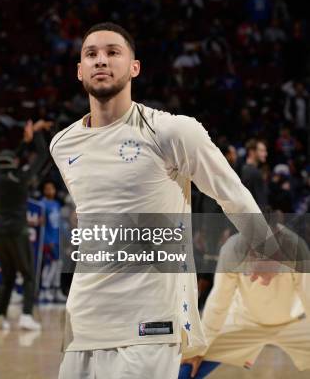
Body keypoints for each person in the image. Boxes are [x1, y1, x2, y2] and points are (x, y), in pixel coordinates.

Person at [50, 22, 272, 378]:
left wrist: (264, 245)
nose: (101, 60)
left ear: (134, 67)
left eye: (112, 52)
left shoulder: (171, 131)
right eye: (91, 54)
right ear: (79, 71)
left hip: (149, 321)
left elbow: (228, 190)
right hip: (84, 319)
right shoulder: (62, 144)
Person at [180, 225, 310, 378]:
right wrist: (199, 349)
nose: (257, 277)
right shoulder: (232, 250)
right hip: (243, 320)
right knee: (190, 360)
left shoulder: (297, 249)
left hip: (294, 322)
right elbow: (218, 305)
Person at [0, 119, 51, 331]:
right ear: (13, 162)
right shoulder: (21, 177)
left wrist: (25, 142)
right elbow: (42, 156)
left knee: (7, 277)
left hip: (0, 232)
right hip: (18, 232)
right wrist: (37, 134)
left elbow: (10, 159)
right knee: (29, 276)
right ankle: (26, 316)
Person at [39, 180, 65, 302]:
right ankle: (45, 289)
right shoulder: (42, 204)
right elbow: (42, 225)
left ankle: (55, 289)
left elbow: (59, 224)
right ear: (44, 191)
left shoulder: (56, 204)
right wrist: (47, 240)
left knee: (58, 264)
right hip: (48, 240)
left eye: (52, 188)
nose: (51, 191)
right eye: (48, 188)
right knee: (50, 264)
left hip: (57, 240)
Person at [240, 139, 269, 210]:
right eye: (262, 151)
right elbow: (260, 201)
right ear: (252, 152)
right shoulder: (254, 173)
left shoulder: (244, 169)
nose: (265, 154)